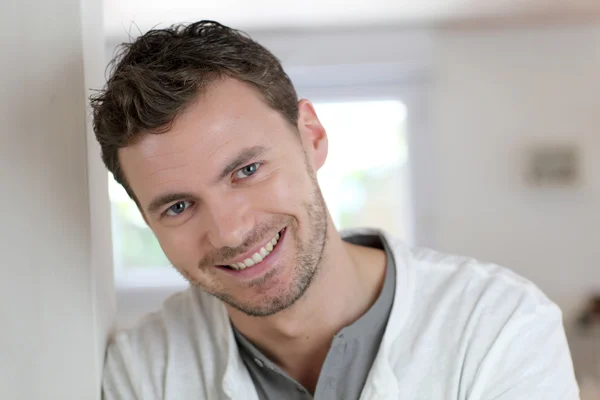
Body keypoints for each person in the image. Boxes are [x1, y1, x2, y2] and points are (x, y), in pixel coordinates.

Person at [91, 21, 579, 400]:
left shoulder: (498, 325)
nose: (229, 231)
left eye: (247, 170)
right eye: (178, 206)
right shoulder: (145, 369)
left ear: (312, 137)